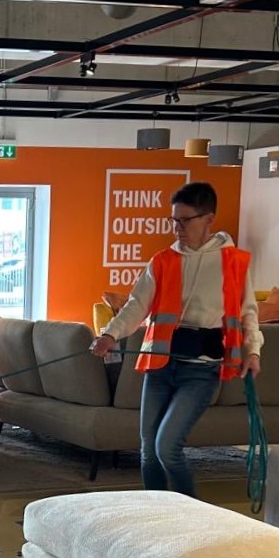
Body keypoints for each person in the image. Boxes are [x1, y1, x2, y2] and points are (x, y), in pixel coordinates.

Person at [90, 182, 263, 497]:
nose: (177, 228)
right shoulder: (162, 261)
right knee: (148, 450)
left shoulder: (233, 262)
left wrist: (253, 352)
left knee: (166, 447)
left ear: (209, 218)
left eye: (185, 220)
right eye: (174, 220)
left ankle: (189, 513)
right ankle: (156, 513)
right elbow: (136, 306)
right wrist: (109, 334)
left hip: (201, 371)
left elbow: (248, 313)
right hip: (160, 367)